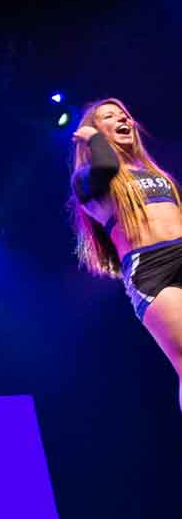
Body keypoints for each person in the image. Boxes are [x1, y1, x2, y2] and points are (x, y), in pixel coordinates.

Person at [67, 99, 182, 409]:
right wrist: (92, 136)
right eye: (110, 117)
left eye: (125, 116)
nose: (124, 120)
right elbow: (107, 165)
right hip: (154, 270)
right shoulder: (90, 179)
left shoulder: (153, 172)